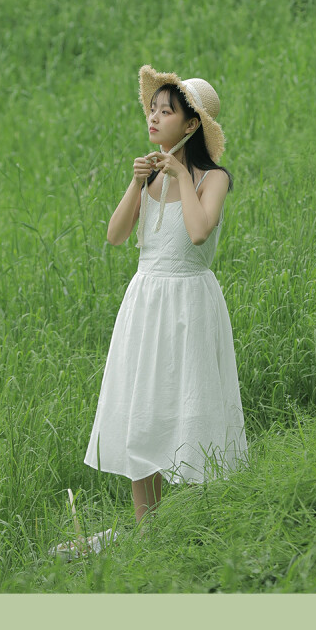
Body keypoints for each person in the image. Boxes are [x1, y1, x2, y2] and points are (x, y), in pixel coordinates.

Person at [84, 65, 247, 524]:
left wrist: (178, 174)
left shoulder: (212, 179)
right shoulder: (149, 176)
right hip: (146, 302)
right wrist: (137, 183)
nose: (153, 119)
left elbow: (198, 232)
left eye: (165, 112)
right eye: (152, 110)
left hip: (190, 302)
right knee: (145, 406)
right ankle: (147, 530)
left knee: (191, 403)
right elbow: (116, 236)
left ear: (191, 124)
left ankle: (200, 521)